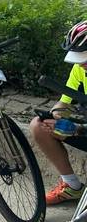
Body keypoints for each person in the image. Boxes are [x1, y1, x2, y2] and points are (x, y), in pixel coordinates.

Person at [30, 21, 87, 205]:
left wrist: (76, 128)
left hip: (82, 129)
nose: (82, 64)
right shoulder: (79, 69)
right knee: (38, 126)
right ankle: (72, 186)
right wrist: (54, 116)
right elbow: (65, 102)